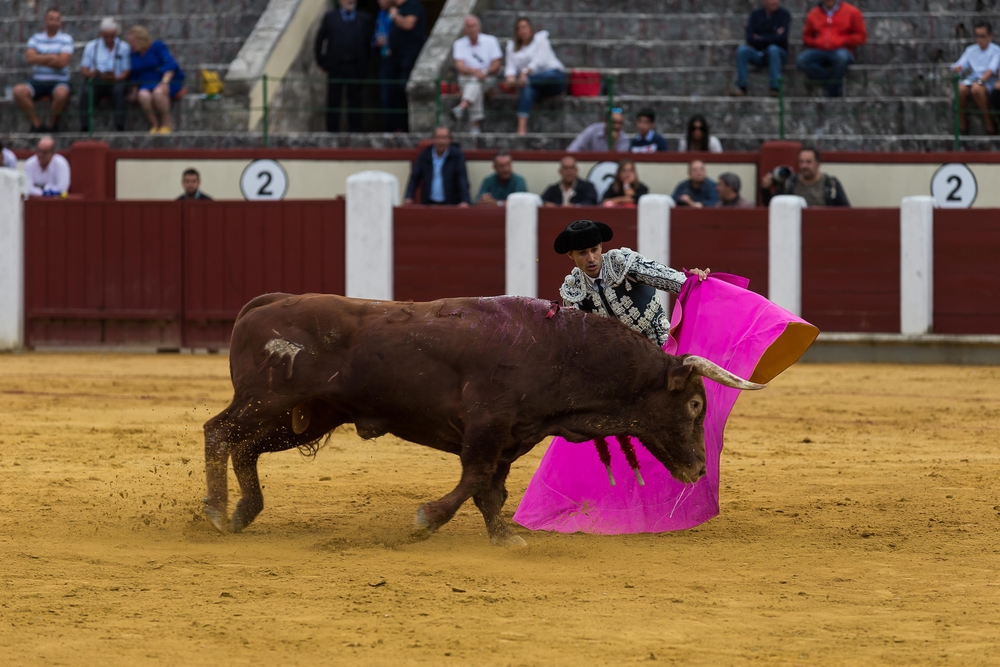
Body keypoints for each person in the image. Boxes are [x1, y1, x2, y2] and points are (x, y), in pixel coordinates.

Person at [512, 219, 817, 536]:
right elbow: (580, 339)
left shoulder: (624, 263)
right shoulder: (573, 291)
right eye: (582, 253)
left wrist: (693, 280)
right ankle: (615, 500)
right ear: (571, 257)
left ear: (601, 248)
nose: (590, 258)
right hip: (621, 372)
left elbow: (672, 281)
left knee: (680, 417)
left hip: (662, 355)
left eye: (594, 250)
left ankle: (685, 483)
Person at [315, 0, 373, 133]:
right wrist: (321, 61)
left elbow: (369, 44)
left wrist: (365, 65)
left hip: (355, 66)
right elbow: (319, 40)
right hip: (336, 66)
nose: (350, 1)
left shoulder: (364, 19)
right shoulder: (330, 17)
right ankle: (332, 132)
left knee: (355, 101)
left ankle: (356, 131)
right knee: (334, 100)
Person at [12, 8, 74, 133]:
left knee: (61, 94)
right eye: (51, 19)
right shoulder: (36, 38)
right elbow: (29, 58)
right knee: (18, 91)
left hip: (59, 80)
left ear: (60, 21)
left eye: (57, 19)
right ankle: (37, 124)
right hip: (38, 80)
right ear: (45, 20)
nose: (54, 22)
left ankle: (52, 125)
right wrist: (52, 57)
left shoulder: (66, 39)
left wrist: (40, 57)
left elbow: (63, 62)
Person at [504, 18, 566, 135]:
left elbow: (540, 61)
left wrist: (525, 72)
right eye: (519, 28)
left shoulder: (541, 40)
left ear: (531, 29)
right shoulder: (511, 47)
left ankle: (526, 82)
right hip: (534, 85)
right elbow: (510, 67)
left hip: (552, 79)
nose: (522, 31)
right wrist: (510, 77)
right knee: (527, 90)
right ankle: (521, 128)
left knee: (549, 76)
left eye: (525, 27)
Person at [796, 0, 867, 98]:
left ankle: (831, 92)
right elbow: (806, 37)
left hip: (841, 49)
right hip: (820, 49)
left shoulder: (852, 12)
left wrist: (844, 40)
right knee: (801, 60)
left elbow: (861, 36)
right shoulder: (813, 13)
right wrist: (817, 42)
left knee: (841, 58)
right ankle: (833, 84)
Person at [127, 25, 186, 134]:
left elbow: (170, 65)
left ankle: (166, 123)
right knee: (143, 95)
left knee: (159, 93)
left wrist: (164, 82)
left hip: (164, 80)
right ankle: (154, 124)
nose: (130, 44)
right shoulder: (134, 53)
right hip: (145, 82)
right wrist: (134, 89)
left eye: (132, 41)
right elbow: (135, 73)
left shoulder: (157, 46)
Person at [452, 16, 503, 135]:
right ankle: (474, 125)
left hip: (488, 77)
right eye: (468, 27)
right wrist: (474, 71)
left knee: (476, 81)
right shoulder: (459, 44)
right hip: (467, 77)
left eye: (473, 26)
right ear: (464, 29)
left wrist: (484, 72)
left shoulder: (490, 41)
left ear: (479, 27)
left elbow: (496, 64)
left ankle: (463, 107)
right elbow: (459, 66)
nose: (471, 29)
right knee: (475, 82)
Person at [79, 18, 131, 132]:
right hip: (97, 80)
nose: (109, 39)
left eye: (112, 36)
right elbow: (84, 69)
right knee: (87, 91)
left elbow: (126, 70)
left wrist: (116, 77)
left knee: (119, 91)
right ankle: (85, 126)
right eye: (106, 36)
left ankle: (119, 125)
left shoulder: (124, 47)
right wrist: (92, 74)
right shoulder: (91, 46)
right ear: (101, 34)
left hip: (116, 80)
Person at [732, 0, 790, 97]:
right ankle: (742, 87)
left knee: (773, 49)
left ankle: (775, 88)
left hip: (778, 54)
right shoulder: (755, 15)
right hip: (759, 53)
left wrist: (760, 37)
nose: (775, 2)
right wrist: (773, 35)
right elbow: (749, 37)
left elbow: (782, 38)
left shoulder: (784, 15)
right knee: (742, 50)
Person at [384, 0, 427, 132]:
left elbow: (408, 24)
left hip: (409, 59)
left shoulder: (413, 5)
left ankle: (406, 128)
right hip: (395, 59)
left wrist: (394, 15)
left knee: (403, 91)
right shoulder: (397, 8)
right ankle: (397, 128)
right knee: (394, 94)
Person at [952, 21, 1000, 135]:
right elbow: (960, 65)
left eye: (983, 36)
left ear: (990, 36)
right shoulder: (971, 50)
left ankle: (989, 123)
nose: (980, 40)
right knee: (960, 89)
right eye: (977, 36)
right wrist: (957, 69)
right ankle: (962, 125)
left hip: (987, 82)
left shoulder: (996, 51)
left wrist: (980, 81)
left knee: (976, 89)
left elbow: (991, 70)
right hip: (973, 80)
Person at [760, 146, 850, 206]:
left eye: (808, 162)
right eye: (801, 162)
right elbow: (773, 206)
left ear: (817, 164)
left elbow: (845, 211)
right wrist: (765, 190)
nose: (804, 166)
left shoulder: (831, 184)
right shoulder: (789, 183)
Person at [403, 126, 470, 206]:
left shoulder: (457, 156)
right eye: (438, 138)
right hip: (429, 203)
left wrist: (465, 200)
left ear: (449, 140)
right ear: (433, 139)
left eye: (444, 138)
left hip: (451, 204)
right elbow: (414, 178)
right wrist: (408, 197)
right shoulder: (425, 155)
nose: (441, 142)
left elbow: (462, 179)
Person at [372, 0, 394, 130]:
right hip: (383, 59)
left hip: (396, 60)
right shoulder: (380, 14)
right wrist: (376, 40)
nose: (379, 1)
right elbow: (376, 34)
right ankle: (388, 128)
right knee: (385, 97)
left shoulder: (398, 12)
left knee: (396, 96)